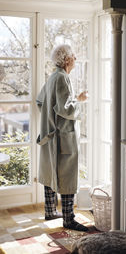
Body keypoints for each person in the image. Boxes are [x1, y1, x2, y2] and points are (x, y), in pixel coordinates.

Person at [36, 44, 88, 231]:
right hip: (62, 136)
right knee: (67, 176)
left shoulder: (53, 77)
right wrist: (80, 100)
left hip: (52, 134)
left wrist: (48, 119)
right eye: (73, 56)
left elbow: (40, 101)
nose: (75, 58)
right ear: (66, 60)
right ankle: (69, 219)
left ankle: (50, 211)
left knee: (51, 172)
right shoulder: (62, 78)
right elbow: (66, 108)